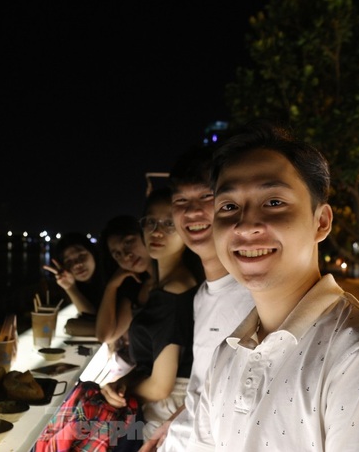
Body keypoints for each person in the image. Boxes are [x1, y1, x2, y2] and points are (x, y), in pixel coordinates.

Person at [190, 119, 359, 450]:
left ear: (322, 222)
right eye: (229, 207)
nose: (246, 226)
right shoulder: (225, 355)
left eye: (274, 202)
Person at [143, 146, 255, 452]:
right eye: (181, 200)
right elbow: (203, 390)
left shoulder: (257, 298)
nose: (192, 212)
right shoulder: (203, 296)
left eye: (206, 197)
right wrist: (171, 425)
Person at [100, 187, 202, 443]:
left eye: (169, 223)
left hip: (164, 414)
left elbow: (160, 386)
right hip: (164, 408)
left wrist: (114, 390)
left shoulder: (173, 291)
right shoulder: (165, 286)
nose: (156, 231)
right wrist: (124, 381)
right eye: (150, 222)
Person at [96, 215, 154, 360]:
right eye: (117, 255)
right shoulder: (139, 287)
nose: (126, 256)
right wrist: (112, 286)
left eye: (129, 242)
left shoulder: (176, 282)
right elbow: (106, 335)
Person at [43, 232, 106, 316]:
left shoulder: (113, 282)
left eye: (81, 256)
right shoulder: (74, 288)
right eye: (68, 261)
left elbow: (97, 324)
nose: (77, 264)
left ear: (93, 254)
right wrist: (70, 287)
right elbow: (90, 317)